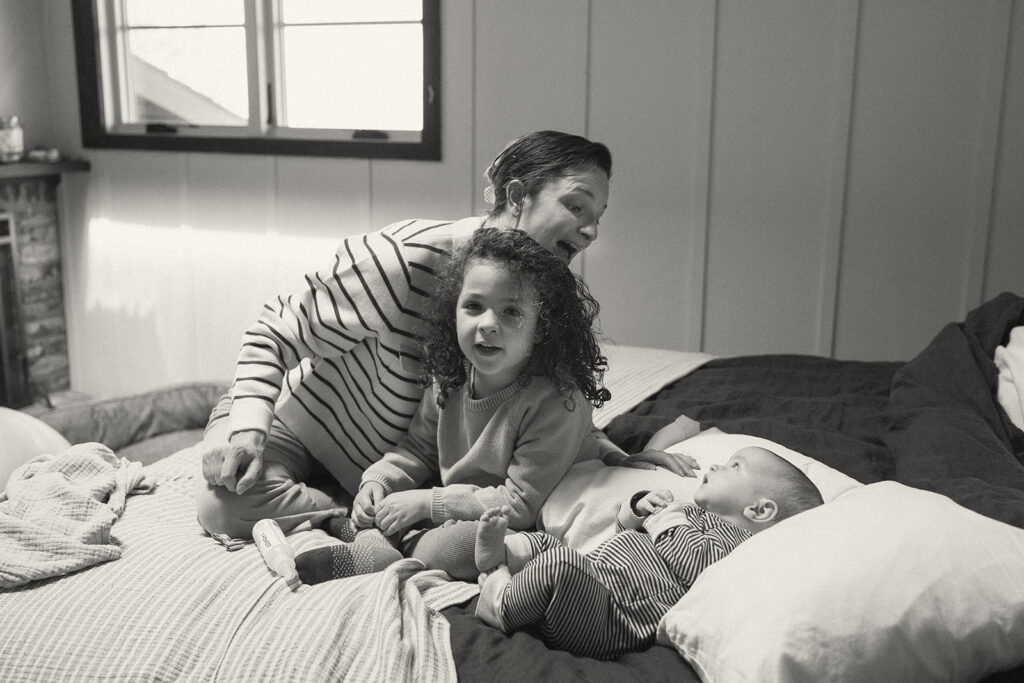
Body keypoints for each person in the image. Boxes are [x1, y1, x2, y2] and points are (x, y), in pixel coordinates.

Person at [195, 130, 695, 542]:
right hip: (294, 426)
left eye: (597, 218)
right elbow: (274, 332)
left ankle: (354, 513)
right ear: (518, 196)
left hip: (396, 466)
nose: (591, 232)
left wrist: (612, 458)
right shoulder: (404, 257)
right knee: (222, 503)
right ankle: (336, 514)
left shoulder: (538, 294)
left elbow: (547, 401)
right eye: (576, 206)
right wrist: (246, 433)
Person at [295, 227, 620, 583]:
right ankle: (373, 535)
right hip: (461, 504)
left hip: (523, 515)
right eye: (474, 306)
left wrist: (427, 504)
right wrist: (379, 482)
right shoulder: (451, 373)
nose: (488, 324)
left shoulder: (557, 400)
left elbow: (521, 505)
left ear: (541, 327)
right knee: (385, 507)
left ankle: (380, 548)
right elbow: (418, 449)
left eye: (511, 312)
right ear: (455, 311)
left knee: (469, 545)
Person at [472, 444, 825, 660]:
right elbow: (624, 537)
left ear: (759, 511)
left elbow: (694, 563)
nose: (716, 466)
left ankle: (499, 600)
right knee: (548, 545)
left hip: (610, 618)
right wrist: (639, 510)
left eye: (734, 467)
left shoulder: (737, 547)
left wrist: (665, 520)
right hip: (598, 580)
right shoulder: (691, 513)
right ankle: (506, 553)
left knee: (560, 565)